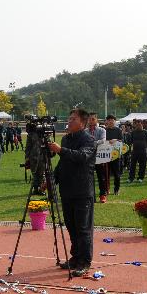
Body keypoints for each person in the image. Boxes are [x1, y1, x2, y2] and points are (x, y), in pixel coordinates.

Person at [49, 109, 97, 277]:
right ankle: (75, 257)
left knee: (83, 228)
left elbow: (81, 157)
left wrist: (60, 150)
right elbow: (63, 163)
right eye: (69, 118)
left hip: (82, 190)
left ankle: (85, 261)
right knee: (71, 226)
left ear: (82, 123)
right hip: (67, 190)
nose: (69, 121)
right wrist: (52, 178)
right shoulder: (66, 139)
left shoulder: (89, 139)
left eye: (73, 119)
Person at [103, 115, 123, 195]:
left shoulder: (118, 130)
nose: (111, 121)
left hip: (116, 155)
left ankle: (116, 189)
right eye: (109, 120)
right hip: (106, 155)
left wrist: (116, 140)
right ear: (107, 121)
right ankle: (106, 189)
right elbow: (102, 141)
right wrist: (108, 141)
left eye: (112, 120)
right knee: (106, 174)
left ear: (115, 121)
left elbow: (122, 141)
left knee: (116, 174)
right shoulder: (104, 130)